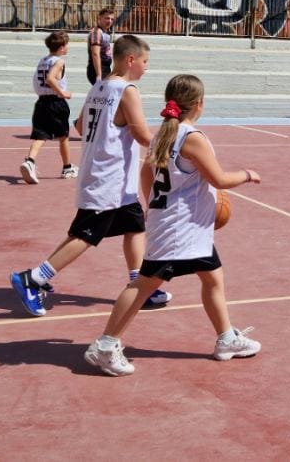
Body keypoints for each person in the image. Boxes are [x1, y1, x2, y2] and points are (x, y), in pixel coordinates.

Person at [83, 74, 264, 377]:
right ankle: (105, 345)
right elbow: (218, 179)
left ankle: (227, 339)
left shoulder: (164, 134)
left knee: (213, 278)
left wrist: (154, 203)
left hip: (183, 227)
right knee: (143, 285)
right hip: (180, 231)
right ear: (199, 104)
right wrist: (247, 174)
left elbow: (145, 173)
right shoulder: (191, 137)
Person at [9, 34, 171, 315]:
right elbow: (143, 134)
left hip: (117, 180)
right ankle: (34, 278)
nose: (146, 67)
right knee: (85, 236)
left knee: (135, 227)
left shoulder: (99, 86)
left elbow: (81, 126)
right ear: (130, 60)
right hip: (106, 179)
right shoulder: (127, 90)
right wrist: (172, 147)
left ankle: (139, 285)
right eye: (145, 62)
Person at [21, 31, 76, 184]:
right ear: (62, 47)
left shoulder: (42, 60)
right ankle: (67, 168)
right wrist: (62, 93)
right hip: (56, 103)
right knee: (63, 136)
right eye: (67, 44)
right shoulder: (59, 62)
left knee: (40, 135)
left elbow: (37, 81)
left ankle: (30, 161)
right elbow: (50, 78)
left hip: (41, 102)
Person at [85, 7, 115, 85]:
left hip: (105, 68)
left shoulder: (105, 32)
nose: (109, 21)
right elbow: (95, 54)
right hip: (98, 69)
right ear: (99, 18)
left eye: (112, 19)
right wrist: (99, 75)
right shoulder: (96, 33)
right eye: (107, 18)